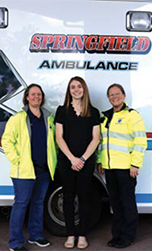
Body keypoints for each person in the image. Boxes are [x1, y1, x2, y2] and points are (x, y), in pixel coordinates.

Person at [1, 84, 57, 251]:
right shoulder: (18, 118)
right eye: (32, 94)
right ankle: (15, 243)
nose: (36, 97)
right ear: (26, 97)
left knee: (38, 203)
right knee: (21, 204)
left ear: (42, 97)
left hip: (43, 170)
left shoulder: (49, 118)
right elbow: (6, 140)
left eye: (39, 94)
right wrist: (17, 160)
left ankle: (35, 235)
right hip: (24, 171)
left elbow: (53, 142)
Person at [97, 83, 147, 249]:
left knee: (127, 203)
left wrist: (135, 164)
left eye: (117, 94)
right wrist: (100, 161)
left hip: (126, 169)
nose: (114, 97)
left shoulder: (132, 116)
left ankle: (128, 236)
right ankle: (116, 235)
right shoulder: (105, 118)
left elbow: (140, 141)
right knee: (115, 204)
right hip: (110, 169)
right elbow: (102, 142)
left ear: (124, 96)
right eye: (111, 95)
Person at [55, 76, 100, 249]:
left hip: (86, 162)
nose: (76, 90)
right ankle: (70, 234)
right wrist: (72, 159)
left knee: (84, 197)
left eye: (79, 87)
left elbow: (95, 139)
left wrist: (82, 159)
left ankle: (82, 235)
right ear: (69, 91)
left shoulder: (93, 112)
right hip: (67, 161)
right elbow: (59, 137)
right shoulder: (61, 111)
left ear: (84, 89)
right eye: (72, 87)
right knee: (67, 197)